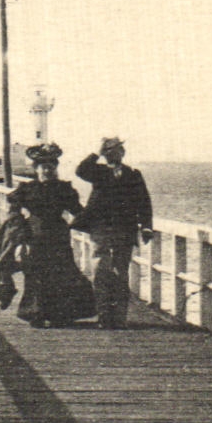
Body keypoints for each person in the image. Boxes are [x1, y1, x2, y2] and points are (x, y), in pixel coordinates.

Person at [3, 143, 96, 328]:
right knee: (36, 275)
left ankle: (60, 314)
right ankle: (35, 313)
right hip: (34, 235)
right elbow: (14, 213)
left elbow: (78, 211)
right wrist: (20, 238)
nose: (47, 170)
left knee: (62, 273)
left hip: (58, 235)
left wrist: (99, 219)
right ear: (36, 169)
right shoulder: (26, 189)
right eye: (43, 167)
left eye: (51, 167)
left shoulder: (64, 189)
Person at [73, 137, 154, 329]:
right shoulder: (98, 172)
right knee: (100, 270)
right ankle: (103, 316)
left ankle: (119, 318)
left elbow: (143, 201)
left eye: (116, 150)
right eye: (108, 151)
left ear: (123, 153)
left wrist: (147, 226)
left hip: (124, 229)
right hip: (100, 227)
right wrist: (96, 153)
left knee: (121, 272)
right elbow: (80, 170)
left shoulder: (133, 174)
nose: (112, 154)